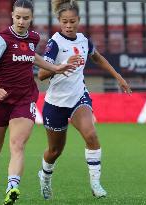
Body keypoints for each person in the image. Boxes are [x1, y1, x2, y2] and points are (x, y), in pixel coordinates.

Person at [0, 1, 75, 205]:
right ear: (12, 15)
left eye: (25, 18)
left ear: (31, 18)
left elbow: (31, 56)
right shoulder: (0, 39)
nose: (21, 21)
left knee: (17, 144)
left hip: (25, 99)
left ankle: (12, 187)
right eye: (18, 17)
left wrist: (55, 68)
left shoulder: (34, 37)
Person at [37, 0, 132, 200]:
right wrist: (62, 65)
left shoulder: (83, 41)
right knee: (55, 151)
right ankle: (45, 177)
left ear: (79, 20)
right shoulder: (55, 43)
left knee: (91, 135)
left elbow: (97, 57)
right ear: (59, 21)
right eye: (65, 22)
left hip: (78, 98)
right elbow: (42, 75)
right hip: (55, 104)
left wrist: (119, 78)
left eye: (72, 21)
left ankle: (96, 183)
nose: (69, 26)